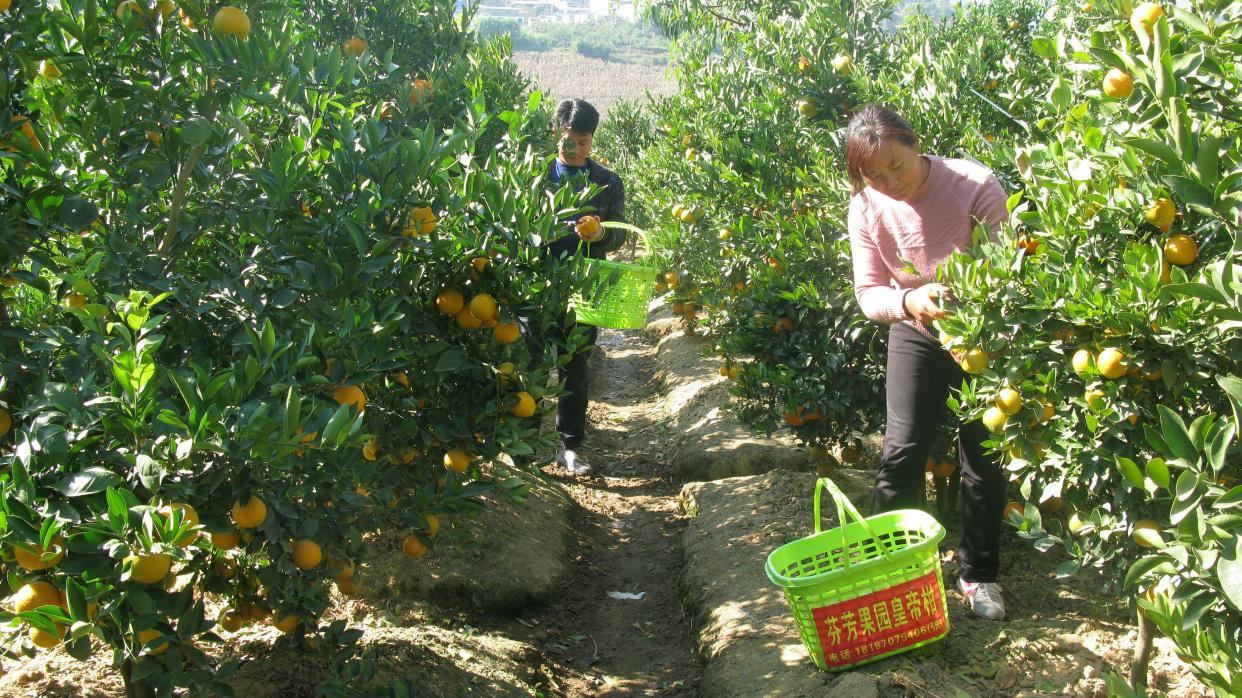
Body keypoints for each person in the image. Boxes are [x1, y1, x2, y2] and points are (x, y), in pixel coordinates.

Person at [845, 104, 1010, 621]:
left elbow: (1011, 267)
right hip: (915, 329)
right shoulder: (866, 206)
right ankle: (886, 570)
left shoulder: (973, 184)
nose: (890, 181)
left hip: (982, 331)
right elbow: (870, 292)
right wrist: (910, 302)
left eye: (897, 164)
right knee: (902, 450)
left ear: (915, 143)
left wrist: (974, 317)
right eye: (875, 175)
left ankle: (978, 575)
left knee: (983, 457)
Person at [532, 98, 626, 475]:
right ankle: (524, 449)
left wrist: (601, 232)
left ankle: (570, 447)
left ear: (592, 141)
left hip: (584, 289)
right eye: (570, 140)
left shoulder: (606, 181)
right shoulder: (535, 177)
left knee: (575, 367)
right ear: (557, 132)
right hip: (537, 287)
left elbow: (619, 233)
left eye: (583, 142)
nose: (575, 149)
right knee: (533, 367)